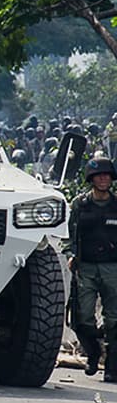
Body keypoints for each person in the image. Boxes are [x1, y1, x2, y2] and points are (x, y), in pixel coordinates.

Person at [67, 157, 117, 381]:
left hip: (112, 268)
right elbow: (69, 235)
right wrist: (71, 255)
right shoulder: (80, 204)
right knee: (82, 317)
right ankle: (94, 353)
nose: (104, 179)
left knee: (114, 320)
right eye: (99, 176)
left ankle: (112, 367)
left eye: (107, 175)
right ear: (91, 179)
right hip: (85, 267)